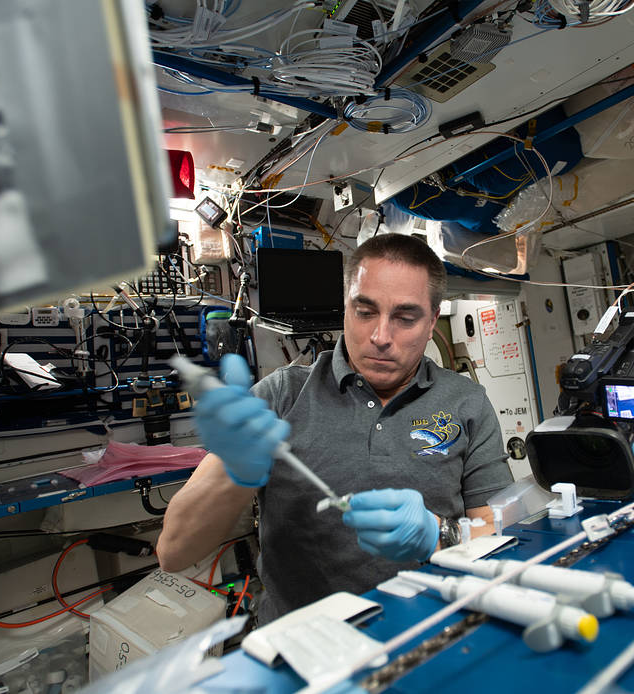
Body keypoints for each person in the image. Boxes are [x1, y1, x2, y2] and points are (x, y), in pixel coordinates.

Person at [156, 233, 513, 625]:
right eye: (364, 312)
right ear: (344, 308)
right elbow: (173, 552)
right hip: (303, 652)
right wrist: (234, 473)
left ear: (431, 321)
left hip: (430, 637)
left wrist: (439, 535)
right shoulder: (280, 396)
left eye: (405, 318)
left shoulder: (466, 402)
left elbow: (502, 537)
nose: (380, 337)